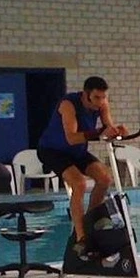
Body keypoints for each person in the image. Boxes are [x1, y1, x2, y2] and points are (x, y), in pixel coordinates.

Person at [36, 76, 127, 259]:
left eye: (103, 98)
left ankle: (90, 219)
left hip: (77, 152)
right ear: (86, 95)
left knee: (104, 179)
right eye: (97, 98)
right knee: (79, 184)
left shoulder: (101, 104)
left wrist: (117, 131)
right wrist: (100, 132)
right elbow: (72, 137)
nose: (101, 102)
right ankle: (81, 236)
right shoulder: (68, 104)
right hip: (53, 151)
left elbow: (107, 127)